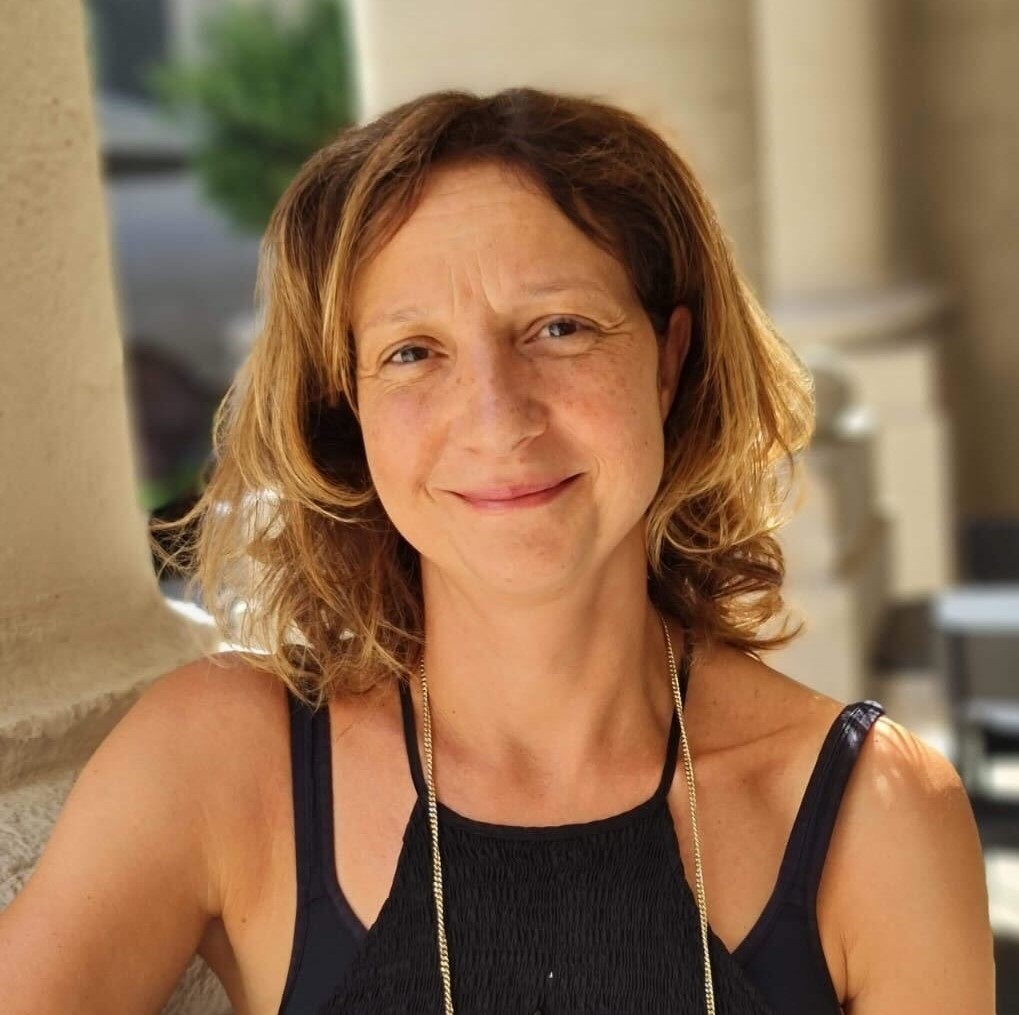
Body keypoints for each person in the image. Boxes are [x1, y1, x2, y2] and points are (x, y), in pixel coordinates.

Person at [0, 87, 993, 1015]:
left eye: (559, 328)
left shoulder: (873, 815)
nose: (496, 416)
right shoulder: (225, 760)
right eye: (413, 352)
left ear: (667, 360)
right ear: (348, 406)